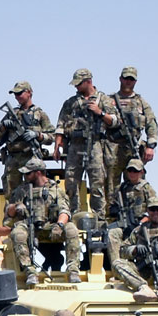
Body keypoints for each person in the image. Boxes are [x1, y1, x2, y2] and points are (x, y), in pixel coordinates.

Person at [1, 158, 80, 286]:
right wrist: (15, 207)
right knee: (18, 233)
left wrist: (59, 225)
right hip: (30, 227)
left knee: (71, 228)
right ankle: (30, 271)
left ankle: (73, 270)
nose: (25, 176)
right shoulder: (22, 190)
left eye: (28, 173)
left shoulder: (55, 190)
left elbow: (65, 211)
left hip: (50, 227)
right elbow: (8, 214)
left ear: (38, 173)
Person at [54, 68, 118, 211]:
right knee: (70, 182)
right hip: (75, 145)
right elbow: (61, 124)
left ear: (89, 81)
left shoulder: (103, 100)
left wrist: (99, 112)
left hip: (94, 144)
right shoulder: (70, 103)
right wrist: (58, 145)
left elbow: (115, 121)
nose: (76, 87)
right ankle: (71, 214)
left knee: (97, 182)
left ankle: (98, 218)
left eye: (79, 83)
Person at [0, 80, 54, 189]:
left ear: (29, 93)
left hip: (32, 159)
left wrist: (37, 135)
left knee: (35, 193)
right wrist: (3, 126)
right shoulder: (11, 114)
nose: (17, 97)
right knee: (12, 196)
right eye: (15, 94)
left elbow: (51, 137)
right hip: (13, 160)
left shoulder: (39, 114)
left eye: (19, 93)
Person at [110, 67, 158, 173]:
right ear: (120, 79)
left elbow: (151, 124)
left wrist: (150, 147)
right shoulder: (109, 100)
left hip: (133, 148)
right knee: (110, 186)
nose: (128, 82)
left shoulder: (141, 102)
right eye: (126, 78)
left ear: (135, 81)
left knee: (134, 185)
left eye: (131, 79)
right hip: (112, 149)